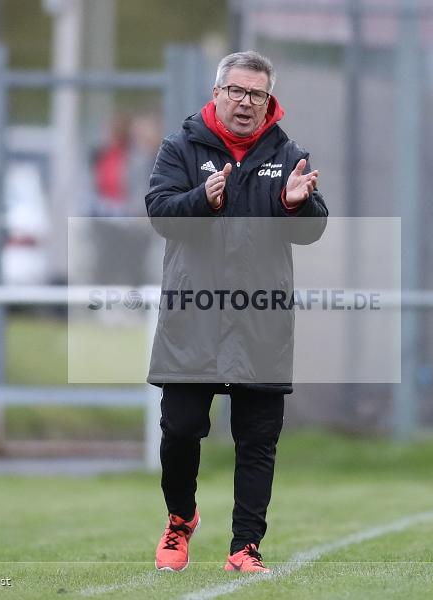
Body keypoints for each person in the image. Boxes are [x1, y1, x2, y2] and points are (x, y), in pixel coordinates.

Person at [144, 51, 327, 574]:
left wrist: (297, 204)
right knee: (179, 430)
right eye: (238, 92)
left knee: (257, 439)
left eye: (258, 95)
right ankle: (180, 518)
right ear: (217, 92)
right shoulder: (180, 148)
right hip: (193, 318)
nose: (247, 103)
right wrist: (202, 199)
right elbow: (160, 213)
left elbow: (313, 229)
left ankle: (246, 546)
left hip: (260, 320)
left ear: (270, 101)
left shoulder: (288, 153)